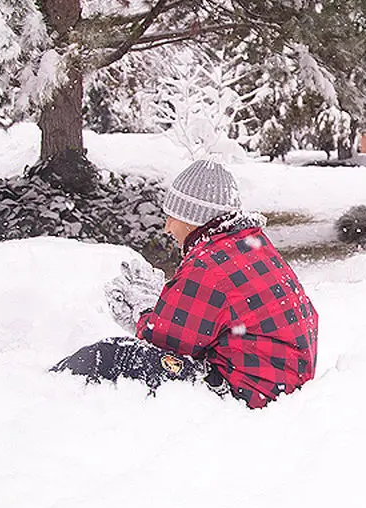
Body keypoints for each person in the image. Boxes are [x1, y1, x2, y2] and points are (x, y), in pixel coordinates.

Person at [53, 160, 320, 409]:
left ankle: (48, 389)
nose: (167, 227)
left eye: (172, 216)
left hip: (247, 396)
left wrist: (143, 313)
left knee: (111, 355)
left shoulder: (208, 264)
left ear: (194, 216)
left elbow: (164, 342)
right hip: (280, 385)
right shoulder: (250, 245)